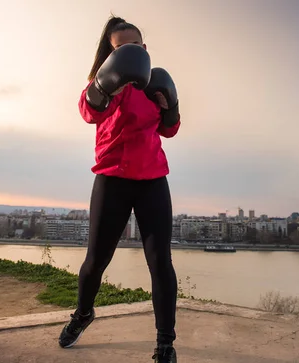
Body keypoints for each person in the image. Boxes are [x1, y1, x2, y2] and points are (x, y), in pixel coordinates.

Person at [58, 15, 181, 363]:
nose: (131, 52)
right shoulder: (104, 84)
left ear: (144, 48)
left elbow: (169, 131)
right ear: (111, 54)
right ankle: (83, 314)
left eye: (135, 46)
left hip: (153, 180)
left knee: (160, 263)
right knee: (96, 260)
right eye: (121, 48)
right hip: (112, 179)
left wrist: (169, 106)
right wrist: (104, 85)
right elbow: (87, 111)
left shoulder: (154, 84)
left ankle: (165, 343)